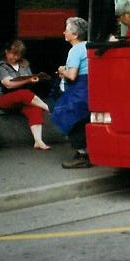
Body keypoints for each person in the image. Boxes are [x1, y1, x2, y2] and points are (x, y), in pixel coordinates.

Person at [0, 39, 51, 150]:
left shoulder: (24, 65)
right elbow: (8, 84)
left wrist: (34, 79)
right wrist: (27, 80)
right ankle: (48, 107)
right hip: (5, 99)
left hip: (22, 99)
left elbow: (29, 78)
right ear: (6, 52)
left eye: (18, 55)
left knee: (35, 109)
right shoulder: (2, 66)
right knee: (23, 93)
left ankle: (38, 141)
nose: (16, 57)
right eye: (13, 54)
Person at [52, 17, 92, 169]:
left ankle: (82, 155)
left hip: (78, 90)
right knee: (82, 120)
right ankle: (83, 152)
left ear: (74, 35)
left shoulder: (74, 50)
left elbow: (72, 75)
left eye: (67, 29)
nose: (64, 32)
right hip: (88, 89)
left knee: (69, 118)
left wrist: (62, 70)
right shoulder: (88, 46)